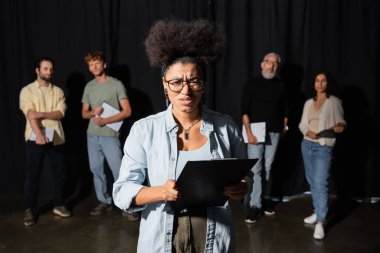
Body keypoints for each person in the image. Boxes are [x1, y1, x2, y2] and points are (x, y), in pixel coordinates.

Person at [113, 19, 248, 252]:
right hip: (161, 237)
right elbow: (122, 191)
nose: (185, 91)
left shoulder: (227, 128)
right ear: (165, 85)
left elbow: (247, 175)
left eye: (194, 81)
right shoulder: (144, 130)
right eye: (176, 82)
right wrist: (160, 192)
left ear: (203, 85)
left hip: (213, 237)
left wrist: (243, 187)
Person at [81, 51, 137, 220]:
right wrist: (93, 112)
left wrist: (106, 120)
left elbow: (127, 111)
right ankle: (104, 201)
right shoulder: (89, 86)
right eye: (91, 65)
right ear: (89, 68)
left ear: (104, 64)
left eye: (97, 63)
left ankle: (125, 205)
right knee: (96, 169)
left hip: (110, 135)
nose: (94, 67)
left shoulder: (116, 84)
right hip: (92, 135)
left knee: (118, 170)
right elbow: (84, 113)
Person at [19, 57, 72, 226]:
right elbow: (29, 114)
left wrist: (40, 114)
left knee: (59, 174)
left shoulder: (58, 91)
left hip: (56, 137)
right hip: (35, 137)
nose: (49, 72)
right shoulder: (27, 91)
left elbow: (60, 114)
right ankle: (29, 209)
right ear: (37, 70)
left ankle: (58, 204)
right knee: (33, 175)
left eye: (51, 69)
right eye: (45, 69)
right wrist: (38, 134)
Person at [241, 52, 289, 223]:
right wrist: (248, 133)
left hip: (274, 132)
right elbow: (244, 111)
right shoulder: (252, 84)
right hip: (254, 132)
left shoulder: (281, 85)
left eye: (275, 63)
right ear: (262, 64)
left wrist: (283, 129)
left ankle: (263, 199)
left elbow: (285, 111)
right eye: (268, 62)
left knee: (267, 169)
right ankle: (254, 205)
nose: (272, 66)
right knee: (256, 170)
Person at [299, 71, 346, 240]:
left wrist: (339, 126)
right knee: (312, 181)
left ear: (328, 83)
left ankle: (320, 222)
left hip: (323, 147)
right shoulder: (308, 103)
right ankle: (317, 211)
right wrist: (308, 132)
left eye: (323, 80)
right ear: (314, 84)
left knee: (320, 183)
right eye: (317, 80)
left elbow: (341, 122)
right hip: (307, 145)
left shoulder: (333, 102)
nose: (320, 83)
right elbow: (302, 124)